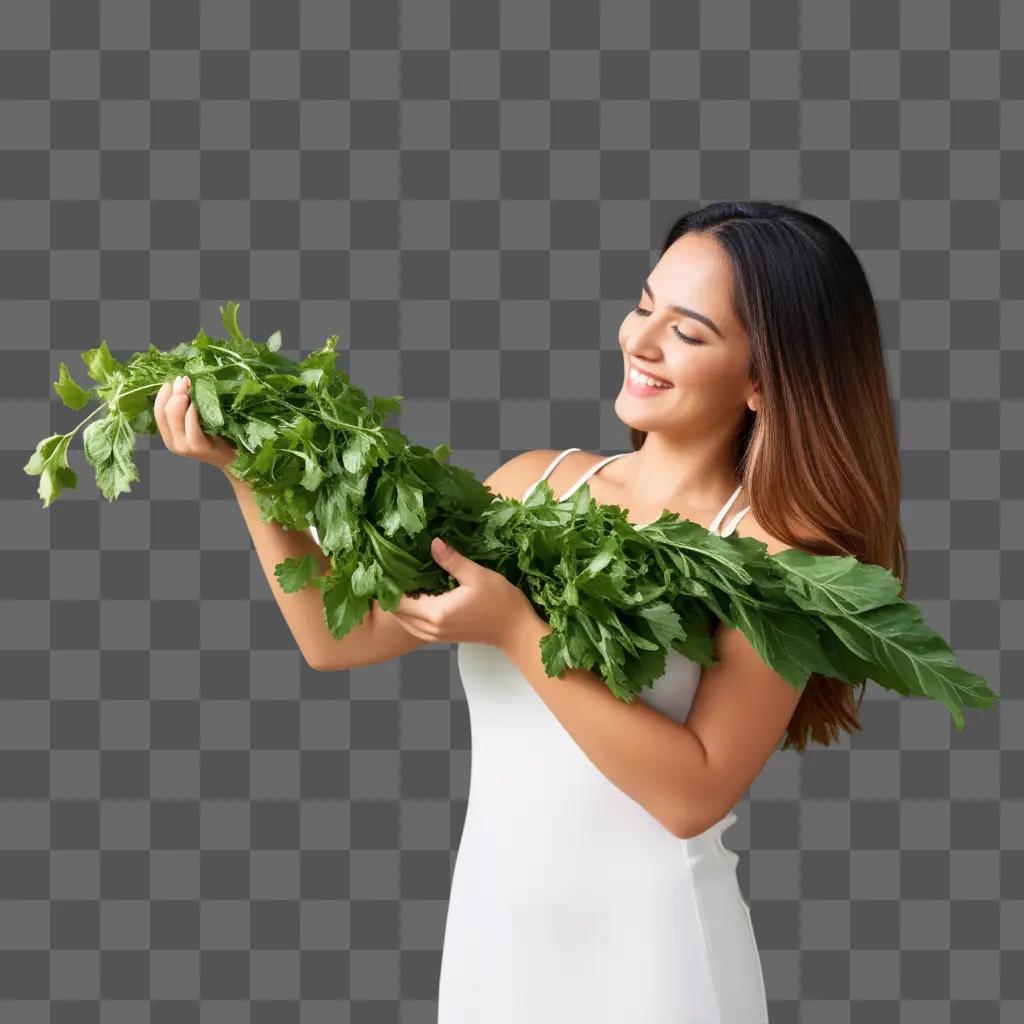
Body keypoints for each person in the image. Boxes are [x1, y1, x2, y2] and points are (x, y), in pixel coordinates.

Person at [155, 200, 909, 1022]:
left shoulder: (783, 561)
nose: (641, 342)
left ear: (766, 378)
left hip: (657, 960)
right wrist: (250, 477)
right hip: (494, 942)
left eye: (688, 333)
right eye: (643, 306)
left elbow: (696, 791)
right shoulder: (535, 487)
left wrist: (516, 629)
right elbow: (340, 639)